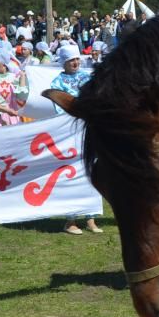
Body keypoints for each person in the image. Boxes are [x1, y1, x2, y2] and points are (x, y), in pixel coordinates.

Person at [49, 44, 103, 234]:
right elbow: (58, 108)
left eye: (77, 59)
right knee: (71, 173)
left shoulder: (87, 78)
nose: (75, 62)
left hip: (89, 130)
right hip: (69, 133)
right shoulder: (57, 82)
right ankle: (70, 220)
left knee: (92, 171)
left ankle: (91, 217)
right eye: (71, 60)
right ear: (64, 62)